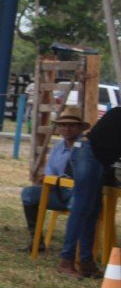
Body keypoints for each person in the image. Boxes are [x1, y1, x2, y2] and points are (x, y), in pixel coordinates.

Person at [57, 106, 121, 278]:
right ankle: (66, 260)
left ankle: (86, 262)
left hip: (94, 159)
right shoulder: (118, 113)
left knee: (92, 211)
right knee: (81, 208)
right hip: (88, 155)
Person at [18, 106, 87, 251]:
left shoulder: (86, 147)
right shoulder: (57, 147)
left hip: (78, 193)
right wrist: (45, 180)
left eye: (71, 125)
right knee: (28, 194)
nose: (67, 129)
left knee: (76, 205)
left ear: (79, 128)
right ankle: (36, 241)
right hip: (58, 191)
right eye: (63, 125)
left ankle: (73, 250)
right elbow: (50, 174)